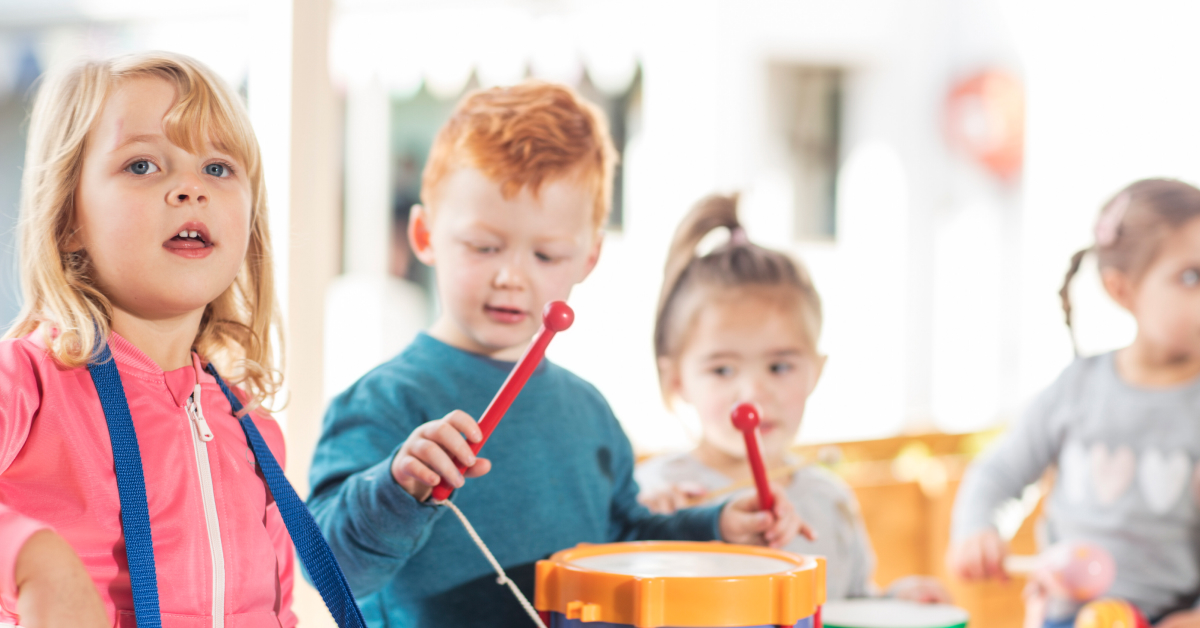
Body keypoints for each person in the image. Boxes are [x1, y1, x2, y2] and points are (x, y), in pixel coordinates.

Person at [307, 82, 807, 628]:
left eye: (546, 254)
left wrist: (715, 528)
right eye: (483, 246)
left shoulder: (588, 410)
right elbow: (332, 570)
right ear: (425, 234)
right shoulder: (383, 401)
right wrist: (398, 487)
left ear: (588, 258)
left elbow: (624, 547)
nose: (512, 276)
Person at [0, 52, 298, 626]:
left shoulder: (253, 429)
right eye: (142, 165)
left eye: (217, 168)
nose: (190, 188)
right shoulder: (26, 383)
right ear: (68, 220)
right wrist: (35, 559)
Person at [636, 194, 950, 603]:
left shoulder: (830, 500)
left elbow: (843, 605)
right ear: (677, 380)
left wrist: (891, 604)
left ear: (815, 371)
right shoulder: (656, 495)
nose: (752, 394)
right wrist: (648, 533)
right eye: (722, 370)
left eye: (779, 367)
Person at [948, 179, 1200, 626]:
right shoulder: (1077, 389)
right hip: (1063, 617)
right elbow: (998, 472)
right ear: (1122, 290)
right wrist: (978, 530)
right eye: (1190, 276)